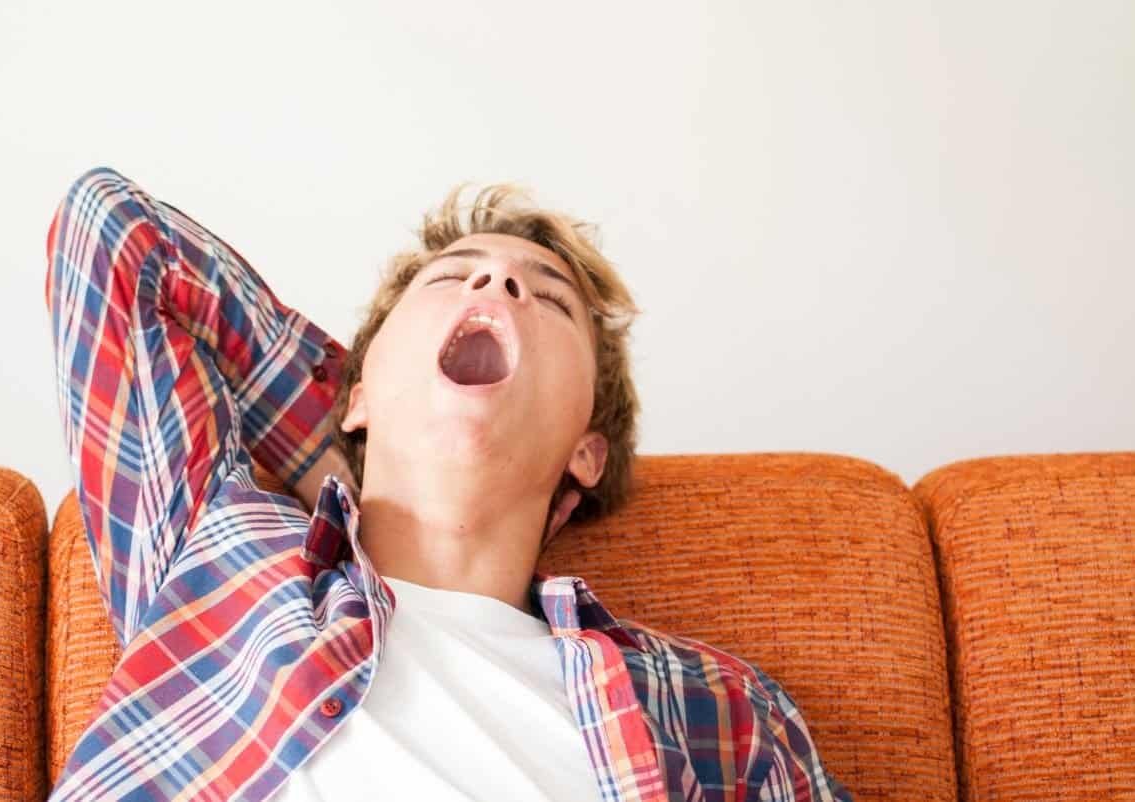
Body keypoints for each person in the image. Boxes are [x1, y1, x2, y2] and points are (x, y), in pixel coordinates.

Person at [43, 166, 854, 801]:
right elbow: (114, 232)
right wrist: (356, 452)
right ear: (353, 396)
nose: (497, 287)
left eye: (548, 299)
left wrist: (401, 420)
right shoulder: (219, 555)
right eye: (451, 278)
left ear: (587, 452)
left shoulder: (716, 710)